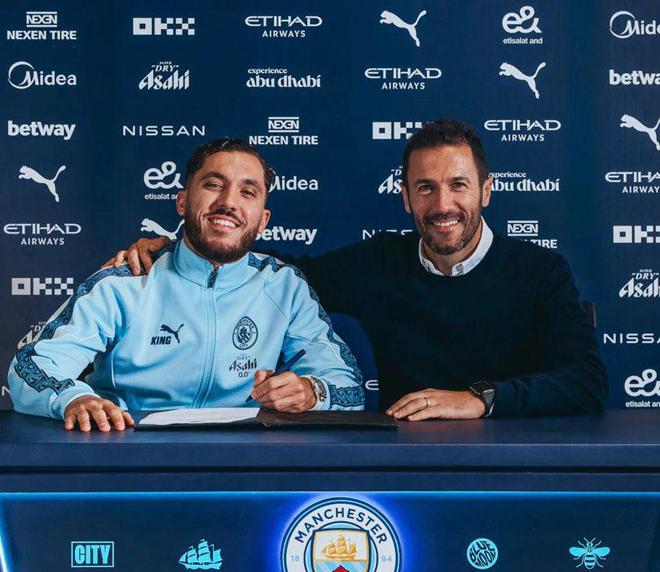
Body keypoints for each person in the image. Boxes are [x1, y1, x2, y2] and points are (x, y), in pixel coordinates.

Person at [108, 120, 608, 420]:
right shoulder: (381, 263)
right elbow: (276, 269)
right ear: (406, 197)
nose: (442, 204)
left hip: (517, 460)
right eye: (425, 188)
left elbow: (585, 380)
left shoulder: (540, 271)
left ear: (486, 191)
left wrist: (479, 400)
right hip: (405, 462)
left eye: (458, 185)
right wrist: (184, 248)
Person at [8, 139, 364, 432]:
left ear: (263, 221)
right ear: (182, 201)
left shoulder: (285, 287)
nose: (228, 202)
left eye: (248, 192)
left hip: (246, 466)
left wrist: (313, 391)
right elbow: (31, 368)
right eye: (214, 185)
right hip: (129, 457)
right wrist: (75, 398)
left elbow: (348, 386)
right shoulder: (123, 283)